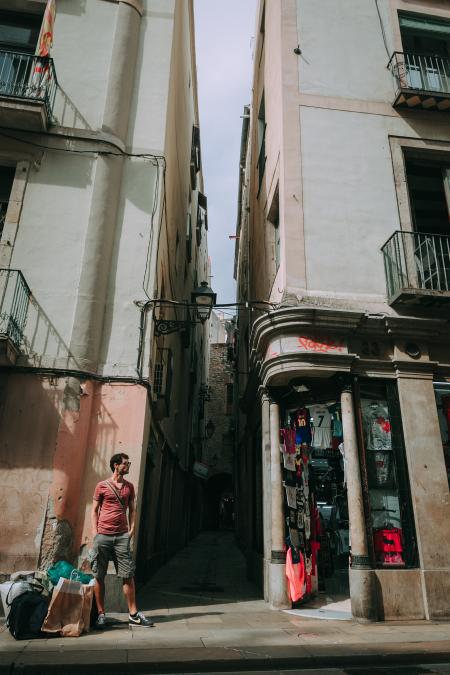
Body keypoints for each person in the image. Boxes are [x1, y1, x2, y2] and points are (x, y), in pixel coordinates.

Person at [91, 452, 153, 628]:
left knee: (128, 575)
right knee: (99, 575)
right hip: (102, 535)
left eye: (129, 463)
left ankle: (133, 614)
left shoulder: (129, 487)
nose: (128, 466)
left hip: (121, 537)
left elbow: (133, 509)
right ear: (116, 465)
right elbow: (94, 510)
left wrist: (132, 530)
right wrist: (95, 532)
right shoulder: (101, 486)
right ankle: (101, 614)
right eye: (125, 463)